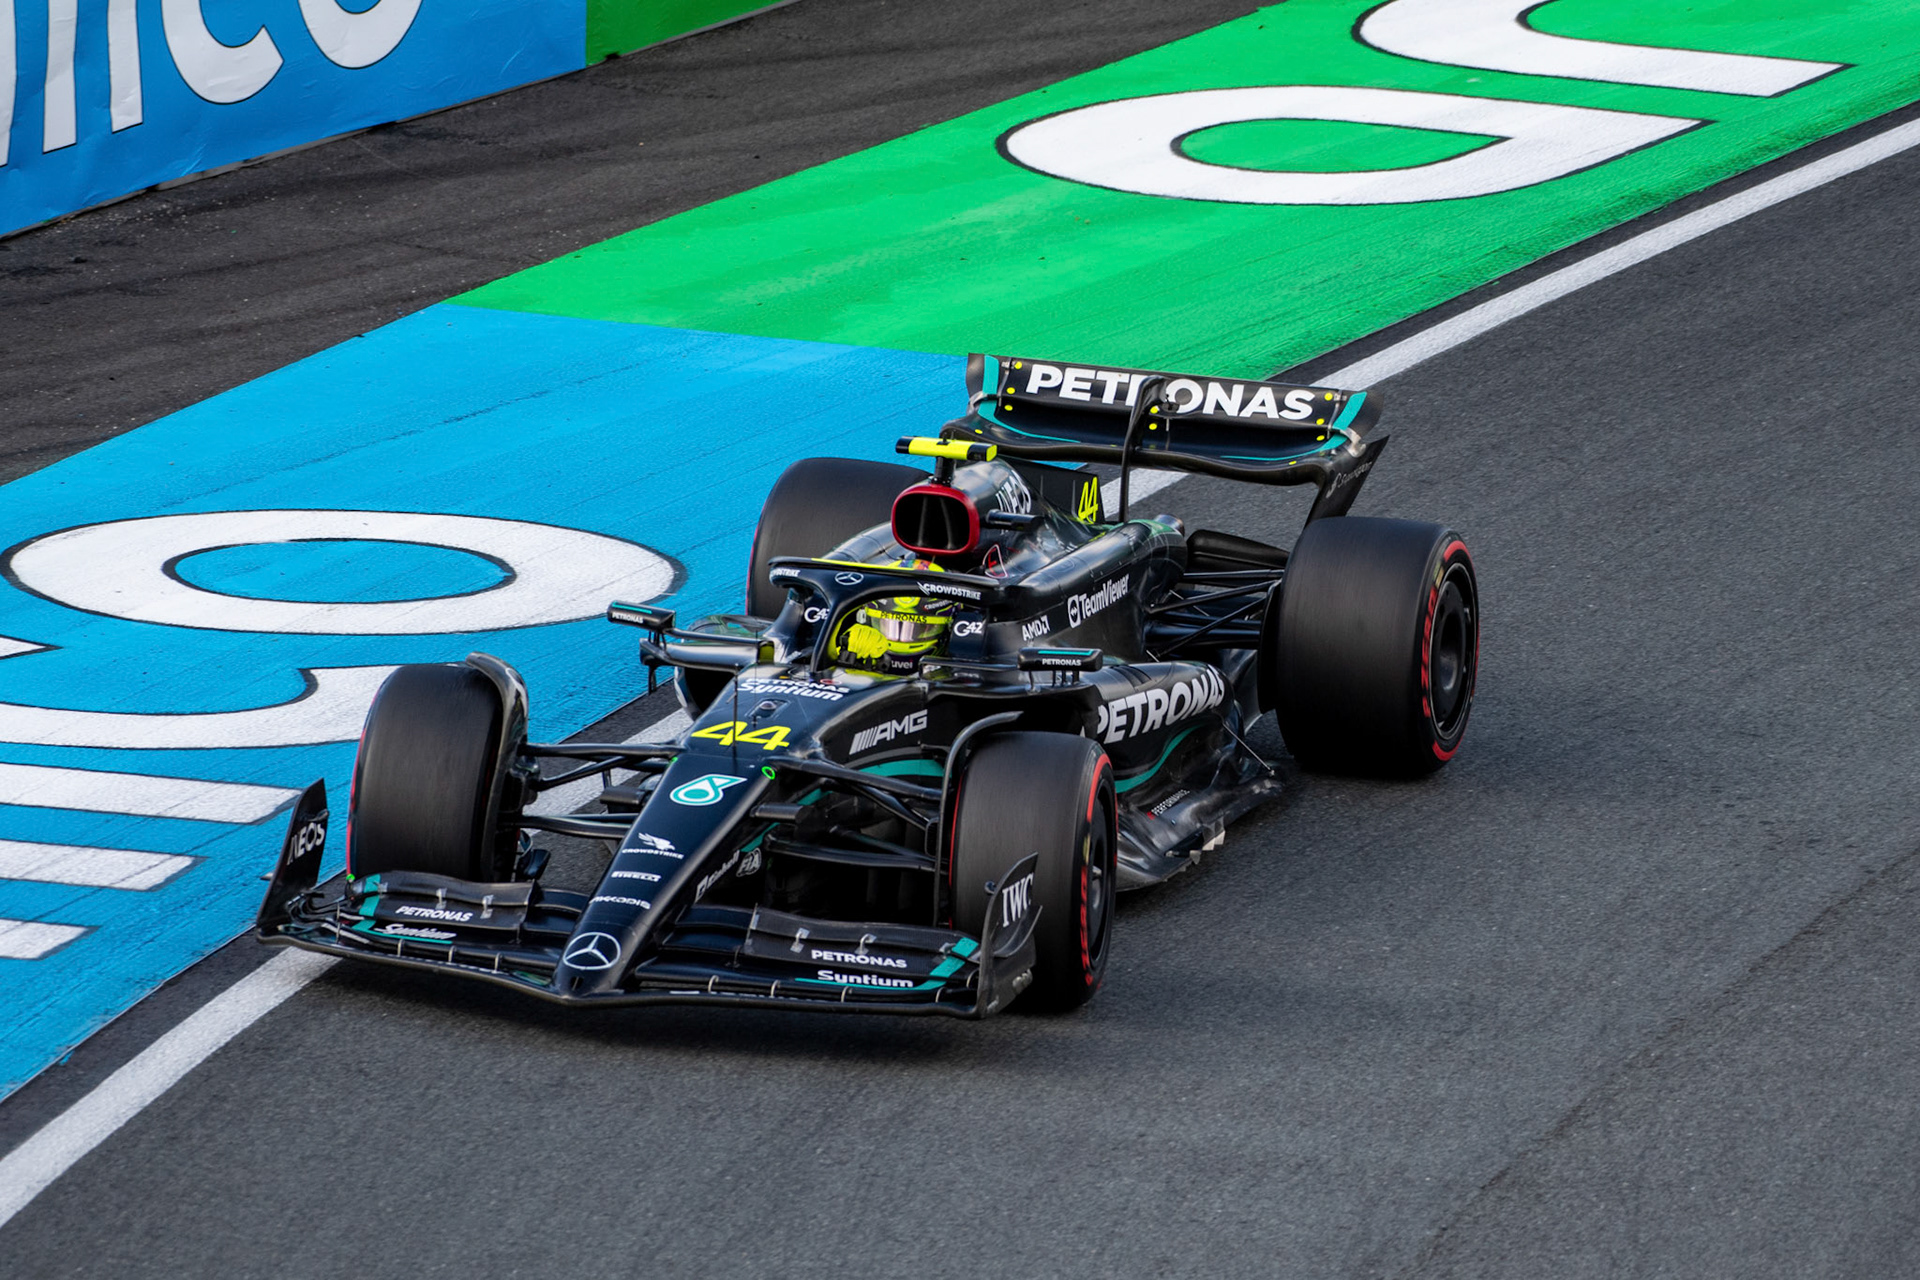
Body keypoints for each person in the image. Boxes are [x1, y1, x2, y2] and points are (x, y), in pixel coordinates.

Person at [829, 557, 954, 676]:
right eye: (888, 625)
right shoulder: (857, 652)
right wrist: (843, 656)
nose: (901, 642)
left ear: (950, 625)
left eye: (920, 628)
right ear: (866, 618)